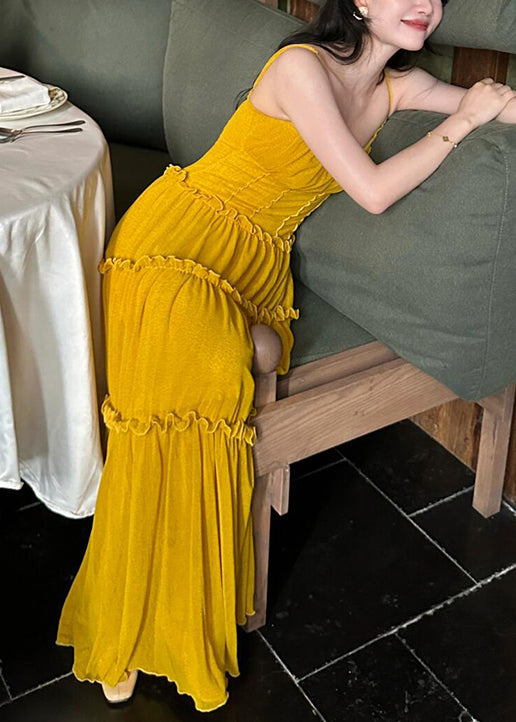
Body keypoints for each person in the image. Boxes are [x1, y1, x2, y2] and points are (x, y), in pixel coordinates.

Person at [55, 0, 516, 713]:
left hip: (253, 270)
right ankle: (131, 621)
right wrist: (464, 122)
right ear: (359, 2)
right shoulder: (302, 68)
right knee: (193, 385)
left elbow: (497, 106)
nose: (424, 4)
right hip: (178, 242)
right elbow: (371, 192)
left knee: (239, 358)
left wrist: (491, 104)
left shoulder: (403, 87)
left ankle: (171, 604)